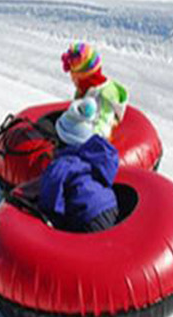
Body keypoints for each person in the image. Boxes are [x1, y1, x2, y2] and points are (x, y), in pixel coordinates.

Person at [38, 98, 119, 233]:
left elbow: (51, 203)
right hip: (111, 204)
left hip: (88, 217)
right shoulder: (96, 154)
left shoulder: (61, 165)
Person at [61, 42, 128, 140]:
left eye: (75, 77)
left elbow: (104, 126)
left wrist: (77, 134)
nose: (72, 80)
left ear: (87, 78)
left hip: (93, 134)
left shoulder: (106, 94)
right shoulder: (83, 89)